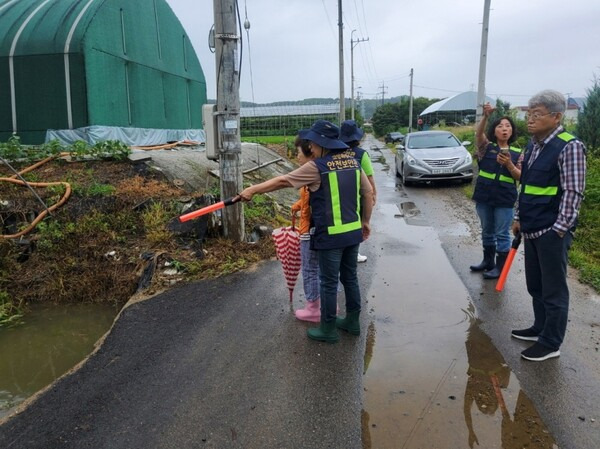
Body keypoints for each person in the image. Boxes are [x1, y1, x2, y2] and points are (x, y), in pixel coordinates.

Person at [237, 120, 373, 343]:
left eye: (311, 144)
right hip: (352, 232)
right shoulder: (353, 162)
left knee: (328, 282)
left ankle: (327, 329)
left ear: (318, 144)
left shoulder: (317, 167)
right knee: (350, 278)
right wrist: (365, 222)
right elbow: (367, 194)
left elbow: (283, 181)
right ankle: (352, 321)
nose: (311, 148)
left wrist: (253, 189)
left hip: (330, 235)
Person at [511, 90, 586, 362]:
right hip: (531, 227)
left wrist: (559, 230)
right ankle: (539, 328)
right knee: (536, 285)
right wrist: (518, 216)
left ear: (556, 117)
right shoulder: (533, 145)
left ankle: (551, 342)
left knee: (554, 290)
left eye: (537, 114)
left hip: (552, 231)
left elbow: (573, 192)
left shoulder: (569, 146)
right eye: (529, 114)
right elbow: (526, 185)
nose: (530, 120)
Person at [470, 103, 523, 279]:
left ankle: (500, 268)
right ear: (495, 131)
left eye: (508, 126)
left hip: (504, 199)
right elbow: (478, 134)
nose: (504, 129)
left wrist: (508, 164)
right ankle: (488, 262)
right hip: (484, 196)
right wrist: (485, 116)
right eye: (500, 126)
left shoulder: (518, 153)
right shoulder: (486, 147)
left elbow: (519, 176)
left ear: (512, 131)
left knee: (502, 233)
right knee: (487, 230)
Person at [290, 137, 321, 322]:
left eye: (299, 153)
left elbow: (283, 181)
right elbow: (311, 198)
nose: (297, 157)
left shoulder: (310, 170)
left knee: (310, 269)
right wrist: (299, 204)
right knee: (324, 269)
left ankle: (313, 308)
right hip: (318, 229)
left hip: (309, 230)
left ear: (310, 153)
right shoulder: (323, 167)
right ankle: (329, 304)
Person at [340, 119, 376, 263]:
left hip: (339, 192)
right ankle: (353, 253)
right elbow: (369, 178)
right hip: (358, 195)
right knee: (358, 222)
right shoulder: (361, 154)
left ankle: (341, 251)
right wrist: (373, 195)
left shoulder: (335, 152)